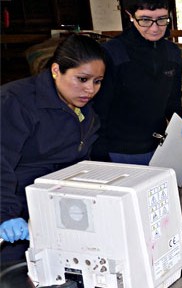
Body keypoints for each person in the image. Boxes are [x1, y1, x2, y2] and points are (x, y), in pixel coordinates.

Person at [0, 34, 105, 267]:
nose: (90, 89)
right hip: (15, 210)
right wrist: (5, 214)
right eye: (82, 79)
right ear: (56, 70)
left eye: (97, 81)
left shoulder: (83, 109)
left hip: (58, 209)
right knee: (14, 273)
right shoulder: (15, 102)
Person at [91, 0, 182, 165]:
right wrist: (101, 157)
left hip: (159, 148)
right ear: (130, 16)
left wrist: (180, 121)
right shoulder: (112, 53)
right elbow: (98, 108)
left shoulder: (172, 53)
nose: (155, 28)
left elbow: (173, 99)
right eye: (145, 20)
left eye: (162, 19)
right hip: (120, 152)